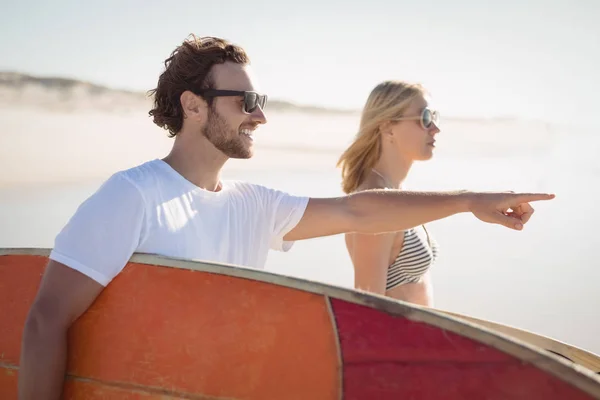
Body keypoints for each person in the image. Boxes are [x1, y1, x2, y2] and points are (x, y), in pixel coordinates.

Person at [18, 34, 554, 399]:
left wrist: (468, 201)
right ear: (193, 105)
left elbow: (358, 209)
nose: (260, 114)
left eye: (261, 98)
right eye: (246, 99)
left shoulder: (254, 204)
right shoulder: (132, 195)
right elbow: (45, 320)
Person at [337, 80, 446, 305]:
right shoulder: (376, 202)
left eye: (434, 116)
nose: (435, 128)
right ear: (387, 127)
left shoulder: (397, 191)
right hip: (401, 339)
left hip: (421, 337)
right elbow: (368, 305)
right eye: (425, 118)